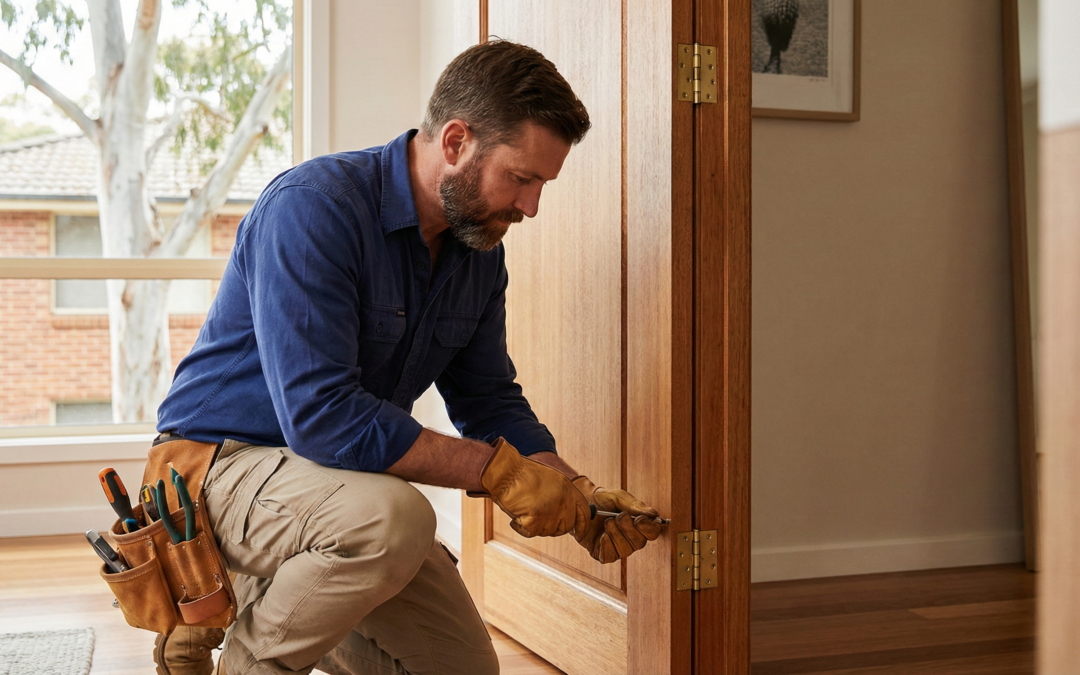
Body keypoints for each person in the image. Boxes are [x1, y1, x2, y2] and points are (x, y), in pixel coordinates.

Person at [153, 40, 663, 675]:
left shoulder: (478, 251)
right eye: (522, 178)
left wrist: (567, 486)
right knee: (394, 518)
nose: (531, 207)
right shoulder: (314, 208)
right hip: (215, 472)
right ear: (455, 143)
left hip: (334, 493)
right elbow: (324, 420)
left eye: (542, 185)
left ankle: (265, 589)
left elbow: (489, 399)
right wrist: (498, 473)